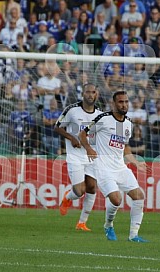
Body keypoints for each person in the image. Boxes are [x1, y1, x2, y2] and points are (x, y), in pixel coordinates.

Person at [79, 90, 149, 242]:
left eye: (126, 102)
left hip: (120, 167)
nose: (124, 104)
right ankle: (108, 225)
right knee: (116, 200)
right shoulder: (103, 118)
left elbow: (125, 146)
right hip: (103, 167)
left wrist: (136, 162)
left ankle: (133, 235)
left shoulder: (128, 124)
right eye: (120, 102)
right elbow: (82, 134)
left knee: (139, 197)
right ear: (114, 104)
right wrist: (89, 149)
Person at [55, 83, 103, 231]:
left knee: (92, 187)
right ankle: (67, 198)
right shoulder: (72, 110)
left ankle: (82, 223)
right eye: (87, 92)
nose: (90, 95)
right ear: (83, 94)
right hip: (75, 156)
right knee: (79, 191)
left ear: (97, 94)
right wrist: (71, 138)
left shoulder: (100, 115)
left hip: (91, 156)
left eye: (93, 92)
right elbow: (57, 127)